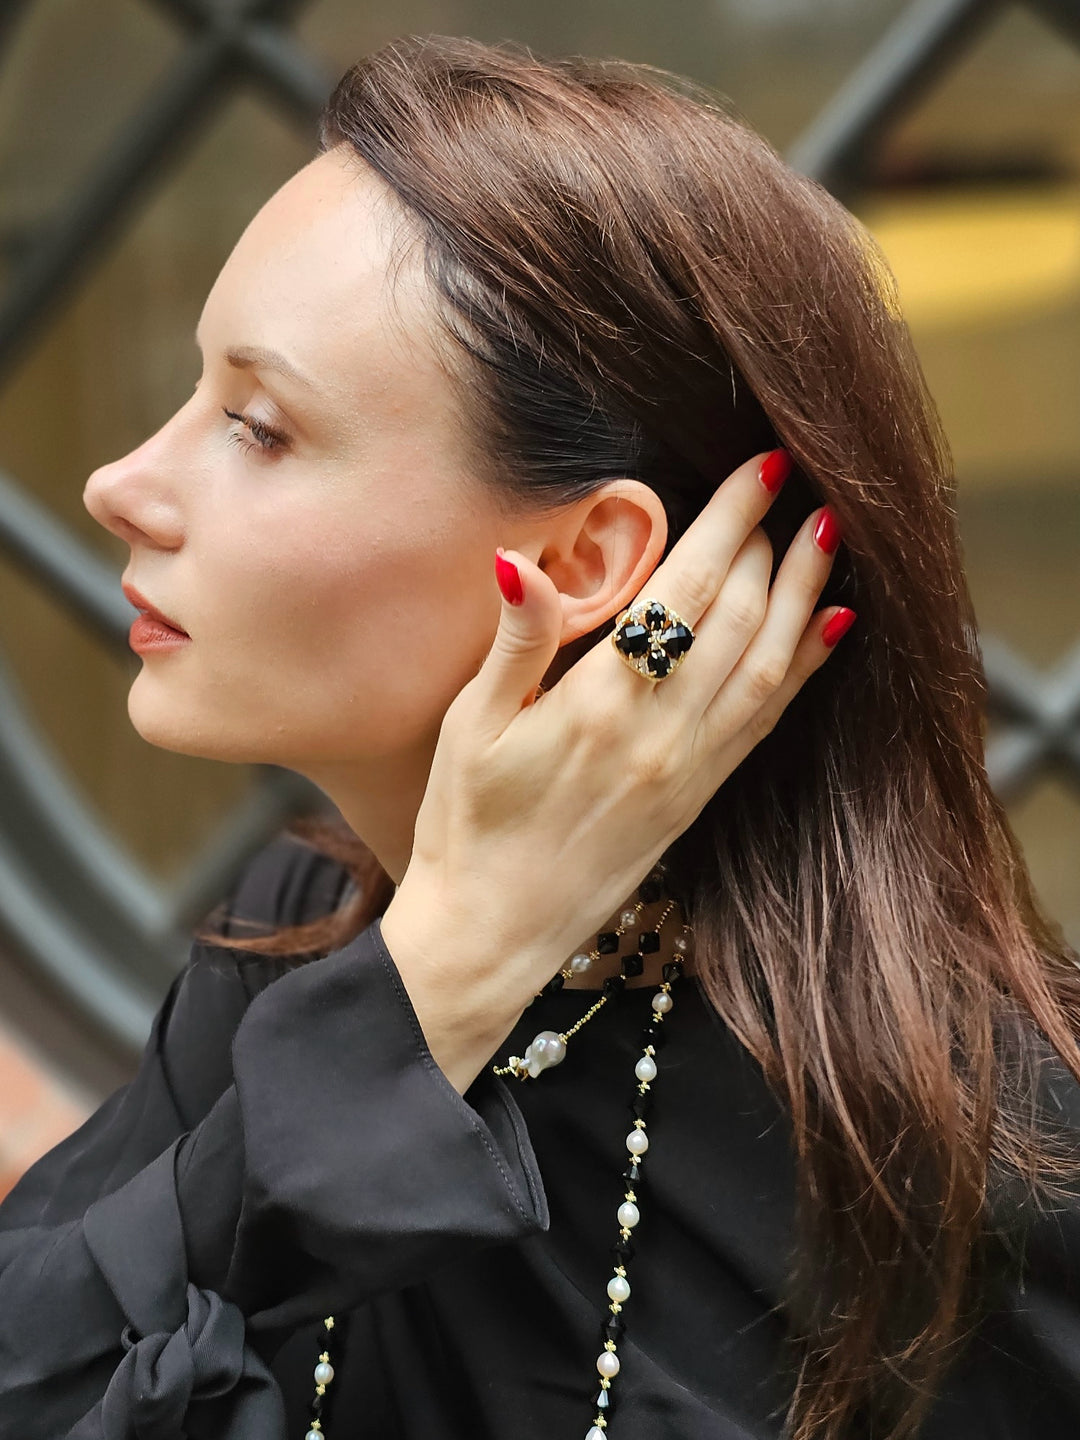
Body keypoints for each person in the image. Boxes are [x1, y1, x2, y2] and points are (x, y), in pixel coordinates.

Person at [1, 32, 1078, 1440]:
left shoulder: (978, 1136)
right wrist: (439, 971)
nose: (118, 483)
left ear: (584, 562)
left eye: (258, 428)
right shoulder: (297, 944)